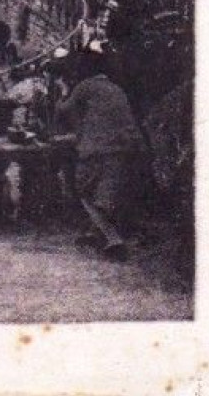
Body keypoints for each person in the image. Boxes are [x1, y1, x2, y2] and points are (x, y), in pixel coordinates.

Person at [53, 57, 146, 262]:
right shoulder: (116, 88)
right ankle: (99, 234)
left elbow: (63, 109)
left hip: (96, 149)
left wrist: (62, 90)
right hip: (125, 147)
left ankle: (112, 238)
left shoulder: (86, 86)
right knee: (106, 194)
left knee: (84, 191)